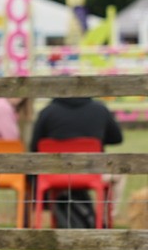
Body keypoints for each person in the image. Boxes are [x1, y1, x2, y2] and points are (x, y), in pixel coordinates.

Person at [30, 97, 124, 228]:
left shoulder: (47, 111)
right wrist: (97, 139)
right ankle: (106, 220)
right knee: (120, 173)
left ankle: (40, 222)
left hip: (54, 174)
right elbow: (117, 138)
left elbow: (35, 147)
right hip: (93, 173)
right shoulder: (100, 109)